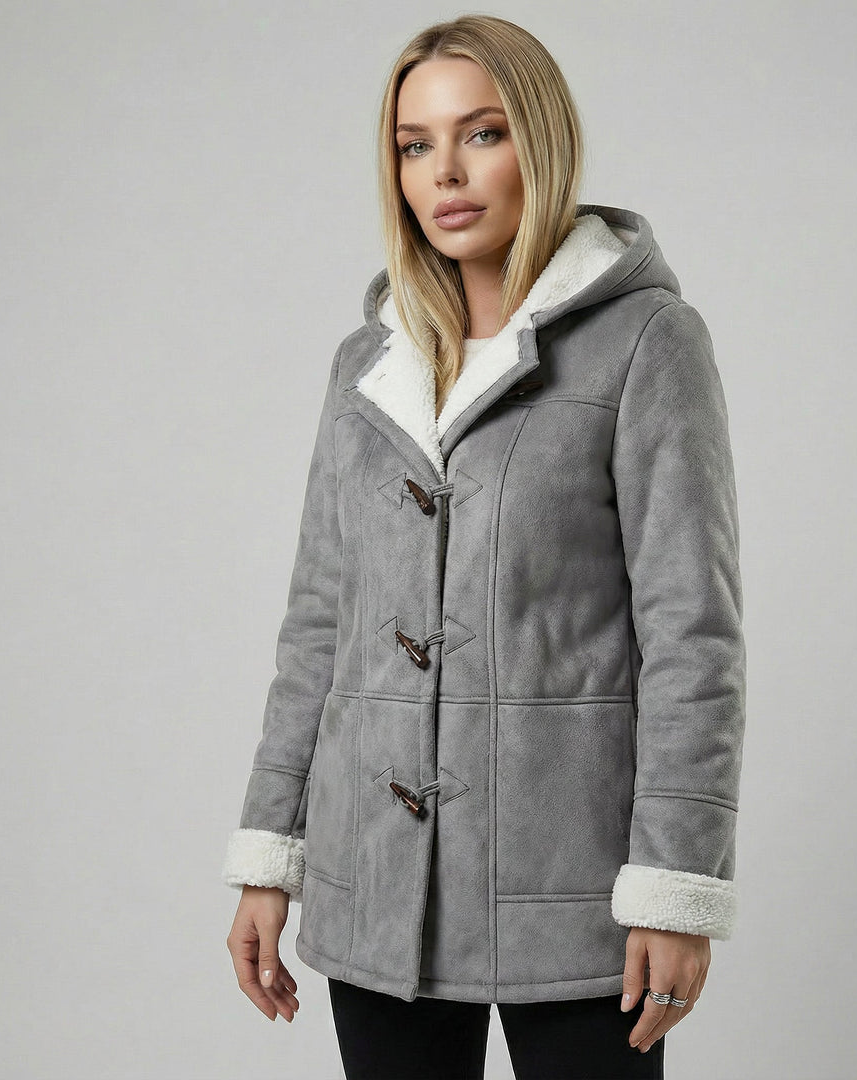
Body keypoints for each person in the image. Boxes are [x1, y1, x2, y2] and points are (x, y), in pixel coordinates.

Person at [222, 14, 746, 1079]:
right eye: (415, 144)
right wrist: (271, 854)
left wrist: (676, 883)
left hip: (573, 888)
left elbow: (692, 634)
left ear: (539, 142)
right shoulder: (366, 366)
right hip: (376, 887)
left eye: (482, 133)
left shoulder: (647, 342)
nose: (446, 173)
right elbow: (319, 624)